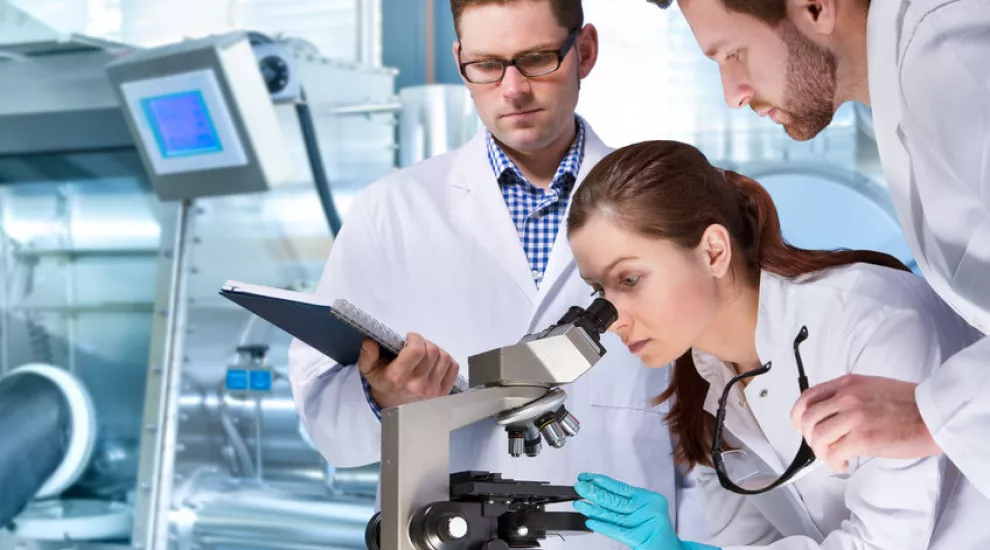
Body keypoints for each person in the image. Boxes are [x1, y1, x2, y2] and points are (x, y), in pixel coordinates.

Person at [287, 1, 681, 548]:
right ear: (460, 61)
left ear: (584, 50)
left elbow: (720, 429)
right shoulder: (391, 210)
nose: (512, 89)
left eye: (537, 59)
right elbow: (331, 431)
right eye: (486, 65)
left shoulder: (670, 206)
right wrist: (383, 399)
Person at [643, 0, 990, 501]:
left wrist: (930, 415)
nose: (733, 95)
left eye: (734, 53)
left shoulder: (949, 54)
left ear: (815, 7)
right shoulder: (912, 80)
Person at [564, 140, 986, 550]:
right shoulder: (703, 377)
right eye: (599, 289)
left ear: (713, 251)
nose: (612, 319)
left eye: (630, 279)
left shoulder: (872, 319)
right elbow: (748, 541)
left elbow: (882, 543)